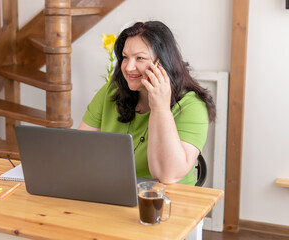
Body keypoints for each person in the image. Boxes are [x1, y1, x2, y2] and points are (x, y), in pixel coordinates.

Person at [78, 21, 216, 185]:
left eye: (140, 58)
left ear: (162, 63)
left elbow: (167, 176)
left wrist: (160, 108)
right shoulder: (112, 91)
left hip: (171, 200)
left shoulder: (192, 106)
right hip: (115, 191)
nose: (129, 67)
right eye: (125, 57)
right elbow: (80, 147)